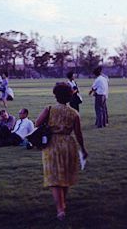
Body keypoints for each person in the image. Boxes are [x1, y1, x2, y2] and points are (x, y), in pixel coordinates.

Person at [35, 82, 88, 221]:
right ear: (70, 96)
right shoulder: (74, 113)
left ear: (55, 95)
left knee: (55, 178)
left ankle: (60, 209)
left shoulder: (49, 109)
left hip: (52, 144)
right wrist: (83, 148)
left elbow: (37, 123)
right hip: (68, 144)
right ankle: (63, 204)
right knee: (64, 176)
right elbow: (78, 134)